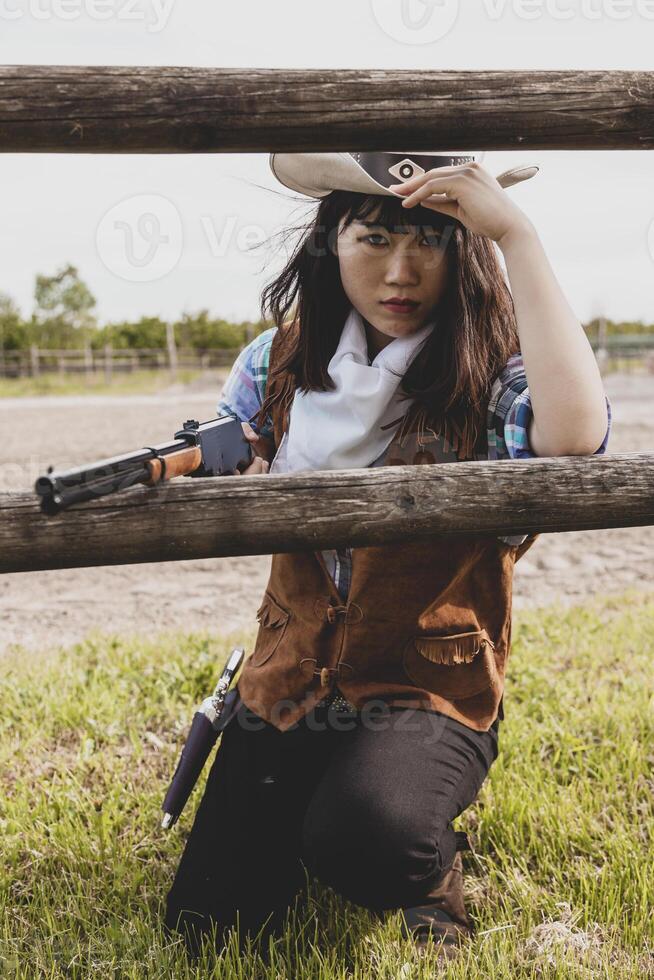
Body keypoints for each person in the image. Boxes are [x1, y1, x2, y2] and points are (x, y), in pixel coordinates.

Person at [164, 150, 612, 962]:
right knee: (211, 924)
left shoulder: (490, 364)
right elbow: (234, 462)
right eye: (373, 237)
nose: (399, 270)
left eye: (431, 241)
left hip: (427, 687)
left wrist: (515, 232)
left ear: (463, 248)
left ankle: (429, 866)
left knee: (369, 838)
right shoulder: (277, 362)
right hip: (290, 677)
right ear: (331, 242)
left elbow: (575, 438)